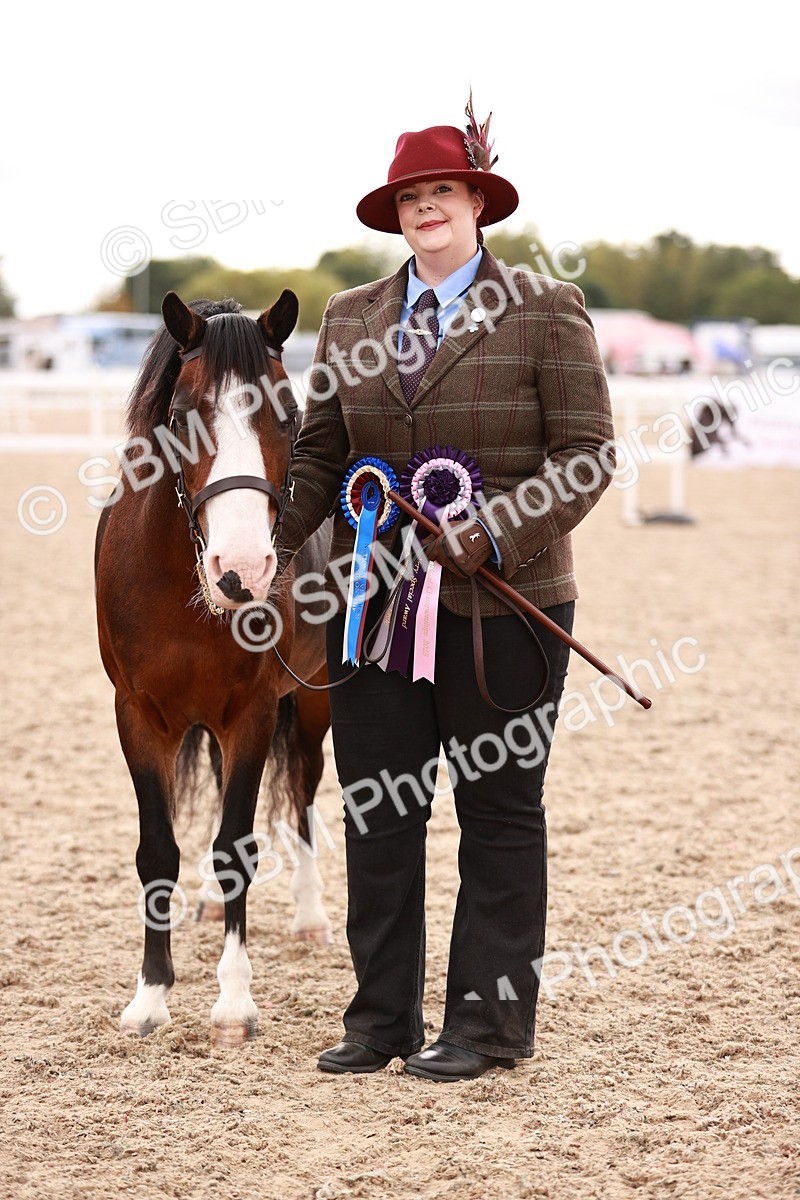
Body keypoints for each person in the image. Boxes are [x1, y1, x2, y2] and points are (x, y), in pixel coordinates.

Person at [277, 99, 616, 1081]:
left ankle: (484, 1027)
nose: (426, 208)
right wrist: (269, 540)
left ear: (476, 201)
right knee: (380, 811)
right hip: (373, 606)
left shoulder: (545, 308)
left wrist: (492, 530)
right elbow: (320, 454)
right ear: (395, 214)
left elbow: (587, 455)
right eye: (409, 196)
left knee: (498, 812)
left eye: (442, 191)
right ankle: (378, 1021)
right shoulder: (350, 317)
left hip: (504, 610)